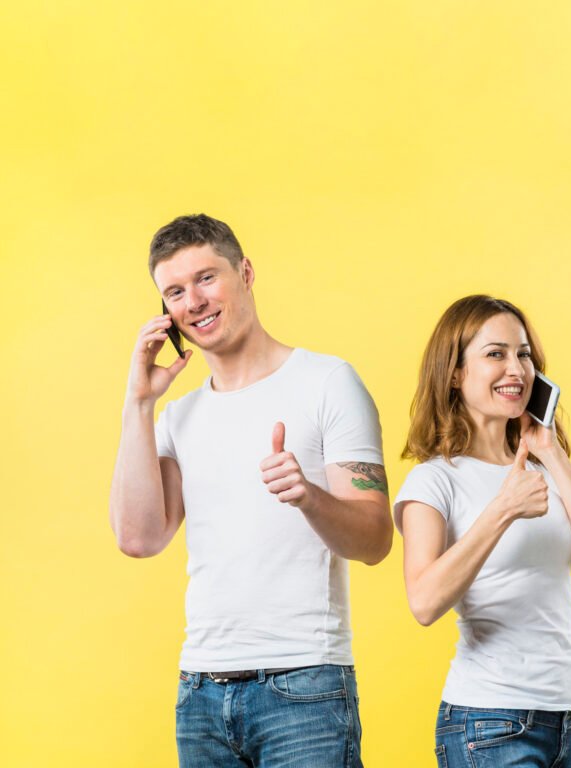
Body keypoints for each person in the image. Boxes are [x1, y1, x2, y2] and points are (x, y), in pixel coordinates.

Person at [109, 213, 392, 768]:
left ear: (245, 272)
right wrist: (139, 403)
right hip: (200, 694)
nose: (193, 301)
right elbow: (138, 537)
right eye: (174, 291)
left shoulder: (328, 382)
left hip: (304, 688)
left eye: (206, 278)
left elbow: (376, 539)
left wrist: (309, 496)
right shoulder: (176, 416)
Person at [394, 295, 571, 768]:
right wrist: (502, 509)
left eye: (523, 354)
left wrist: (551, 451)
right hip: (489, 721)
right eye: (495, 353)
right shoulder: (434, 479)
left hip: (562, 718)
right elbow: (423, 602)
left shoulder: (540, 465)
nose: (516, 369)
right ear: (455, 373)